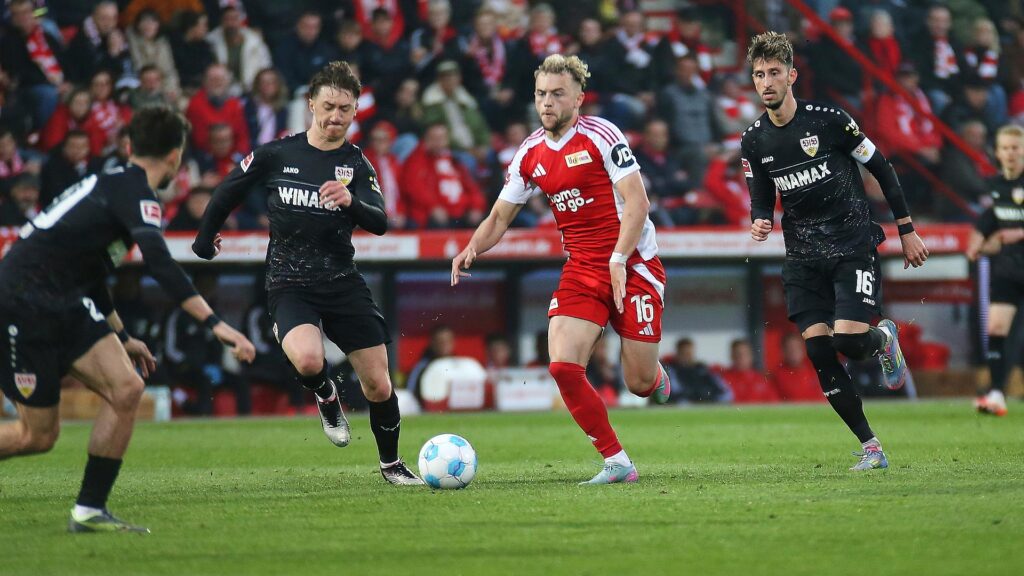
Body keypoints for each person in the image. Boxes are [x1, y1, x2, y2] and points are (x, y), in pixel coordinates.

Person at [0, 106, 255, 533]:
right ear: (175, 156)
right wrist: (217, 324)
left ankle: (89, 511)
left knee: (127, 387)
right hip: (24, 303)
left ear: (131, 145)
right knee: (37, 437)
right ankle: (89, 509)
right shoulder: (136, 194)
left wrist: (122, 335)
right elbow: (160, 263)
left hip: (62, 299)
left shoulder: (113, 184)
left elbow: (91, 271)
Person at [192, 61, 423, 486]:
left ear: (355, 111)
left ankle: (391, 465)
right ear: (311, 104)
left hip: (341, 281)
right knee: (309, 359)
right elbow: (227, 189)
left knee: (378, 384)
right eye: (329, 106)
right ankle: (325, 394)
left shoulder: (356, 164)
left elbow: (380, 221)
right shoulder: (277, 154)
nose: (336, 116)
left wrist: (350, 202)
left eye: (345, 109)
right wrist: (204, 239)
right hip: (289, 281)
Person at [451, 55, 671, 485]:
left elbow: (638, 202)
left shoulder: (602, 135)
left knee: (639, 383)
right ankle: (617, 462)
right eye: (540, 94)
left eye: (557, 94)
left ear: (578, 98)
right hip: (583, 269)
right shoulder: (530, 152)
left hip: (634, 264)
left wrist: (619, 258)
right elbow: (500, 216)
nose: (547, 102)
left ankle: (656, 376)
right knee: (563, 367)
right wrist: (472, 247)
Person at [741, 32, 929, 471]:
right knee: (819, 351)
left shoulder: (829, 121)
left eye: (773, 73)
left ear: (792, 76)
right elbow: (761, 195)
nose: (766, 82)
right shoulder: (753, 140)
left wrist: (906, 229)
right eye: (758, 75)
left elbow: (881, 167)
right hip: (802, 256)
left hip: (851, 245)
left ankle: (883, 338)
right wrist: (760, 218)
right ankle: (871, 447)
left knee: (849, 341)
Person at [966, 124, 1024, 417]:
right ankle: (997, 393)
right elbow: (989, 220)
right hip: (1008, 270)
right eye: (1005, 148)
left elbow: (1007, 231)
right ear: (997, 153)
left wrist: (1017, 234)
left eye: (1015, 147)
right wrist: (977, 242)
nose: (1010, 153)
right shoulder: (996, 186)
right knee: (996, 329)